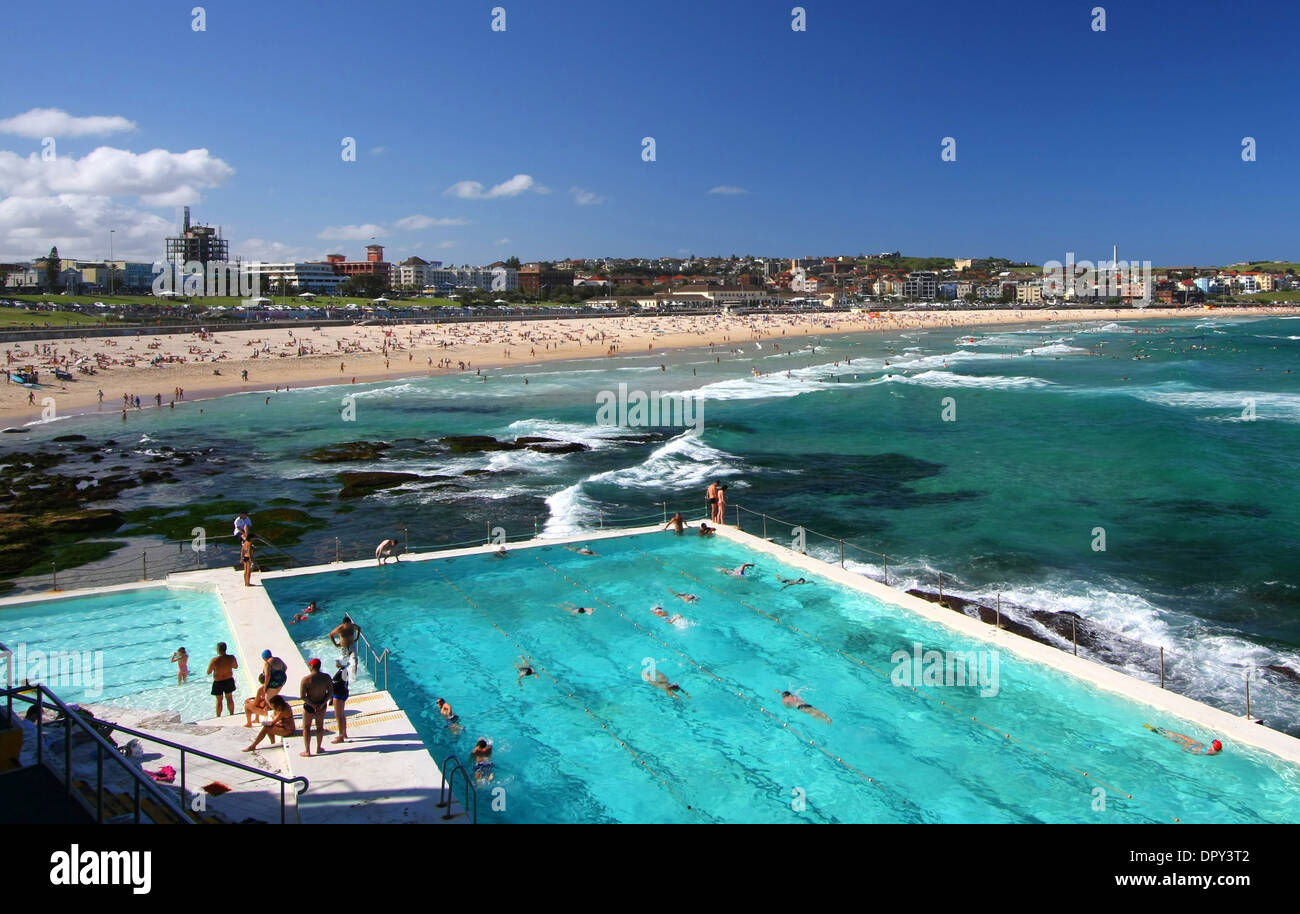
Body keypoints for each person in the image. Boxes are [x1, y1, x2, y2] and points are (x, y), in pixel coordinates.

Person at [299, 659, 334, 757]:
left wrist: (312, 705)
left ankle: (307, 751)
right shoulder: (326, 677)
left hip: (309, 706)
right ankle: (318, 748)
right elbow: (330, 692)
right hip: (321, 706)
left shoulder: (306, 679)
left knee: (306, 728)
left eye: (309, 665)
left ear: (312, 666)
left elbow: (302, 696)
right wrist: (322, 703)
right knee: (320, 727)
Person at [207, 642, 239, 717]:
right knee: (230, 698)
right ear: (225, 649)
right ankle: (232, 714)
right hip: (229, 680)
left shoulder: (214, 660)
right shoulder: (231, 658)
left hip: (218, 682)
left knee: (219, 701)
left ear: (218, 650)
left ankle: (218, 717)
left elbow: (208, 672)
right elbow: (235, 666)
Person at [1146, 724, 1222, 755]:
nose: (1211, 743)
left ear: (1214, 746)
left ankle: (1158, 731)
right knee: (1182, 736)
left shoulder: (1211, 752)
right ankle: (1163, 731)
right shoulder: (1215, 751)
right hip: (1196, 744)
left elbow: (1199, 752)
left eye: (1213, 743)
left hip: (1193, 746)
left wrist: (1189, 751)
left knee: (1175, 740)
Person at [330, 660, 350, 744]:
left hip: (338, 695)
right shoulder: (345, 670)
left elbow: (334, 685)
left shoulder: (341, 672)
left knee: (338, 716)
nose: (335, 663)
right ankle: (344, 733)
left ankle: (340, 736)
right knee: (342, 715)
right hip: (343, 693)